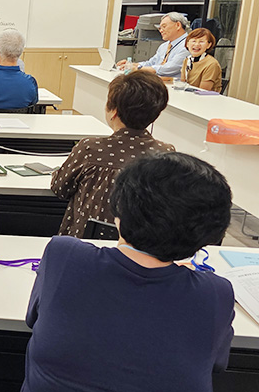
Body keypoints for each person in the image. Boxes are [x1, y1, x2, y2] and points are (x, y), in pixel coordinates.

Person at [24, 152, 234, 392]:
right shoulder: (216, 293)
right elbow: (217, 362)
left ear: (119, 210)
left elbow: (33, 318)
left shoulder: (64, 256)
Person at [52, 70, 175, 237]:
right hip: (139, 244)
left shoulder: (90, 148)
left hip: (85, 242)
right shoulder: (166, 153)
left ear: (114, 111)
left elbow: (60, 188)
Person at [117, 12, 189, 77]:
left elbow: (169, 68)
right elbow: (151, 63)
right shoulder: (164, 46)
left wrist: (138, 68)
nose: (161, 31)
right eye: (160, 28)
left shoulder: (188, 45)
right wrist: (131, 65)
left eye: (164, 26)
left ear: (178, 25)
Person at [181, 27, 223, 93]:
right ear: (187, 44)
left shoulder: (212, 64)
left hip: (205, 97)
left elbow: (203, 91)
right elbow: (182, 83)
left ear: (209, 45)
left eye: (201, 41)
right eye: (194, 41)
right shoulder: (187, 60)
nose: (197, 44)